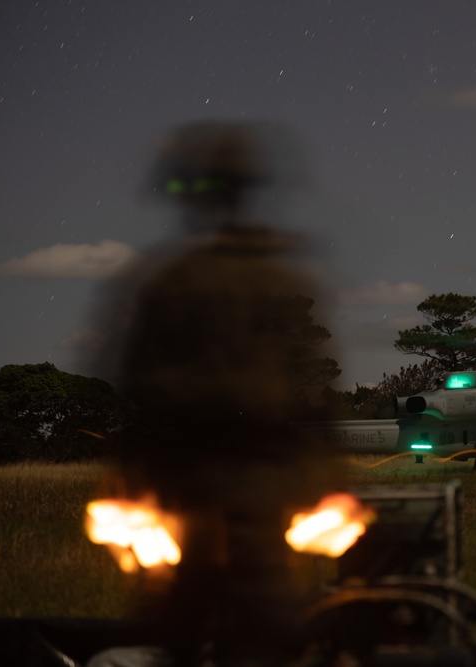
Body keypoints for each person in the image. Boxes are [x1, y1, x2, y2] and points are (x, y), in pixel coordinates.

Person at [93, 120, 340, 665]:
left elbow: (135, 382)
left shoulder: (171, 280)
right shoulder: (284, 279)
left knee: (188, 616)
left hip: (199, 479)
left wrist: (139, 472)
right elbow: (316, 391)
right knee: (264, 619)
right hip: (253, 480)